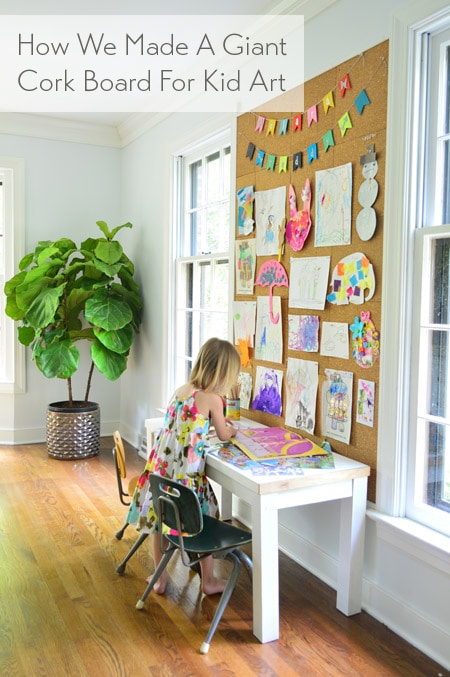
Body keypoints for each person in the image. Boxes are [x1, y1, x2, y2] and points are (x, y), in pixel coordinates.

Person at [126, 337, 240, 596]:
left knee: (160, 523)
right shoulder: (213, 400)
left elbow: (184, 426)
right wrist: (231, 430)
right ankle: (209, 580)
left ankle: (160, 577)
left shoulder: (181, 390)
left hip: (162, 473)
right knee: (205, 517)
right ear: (221, 375)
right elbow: (223, 435)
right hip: (188, 479)